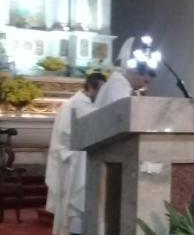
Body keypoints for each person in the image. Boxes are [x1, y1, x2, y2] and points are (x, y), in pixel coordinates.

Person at [45, 73, 106, 235]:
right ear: (92, 87)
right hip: (74, 165)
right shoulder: (71, 105)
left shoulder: (97, 106)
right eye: (101, 90)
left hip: (92, 161)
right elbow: (62, 137)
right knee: (73, 209)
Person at [95, 38, 156, 109]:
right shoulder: (118, 85)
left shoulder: (120, 83)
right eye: (145, 81)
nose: (145, 86)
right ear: (135, 72)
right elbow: (125, 113)